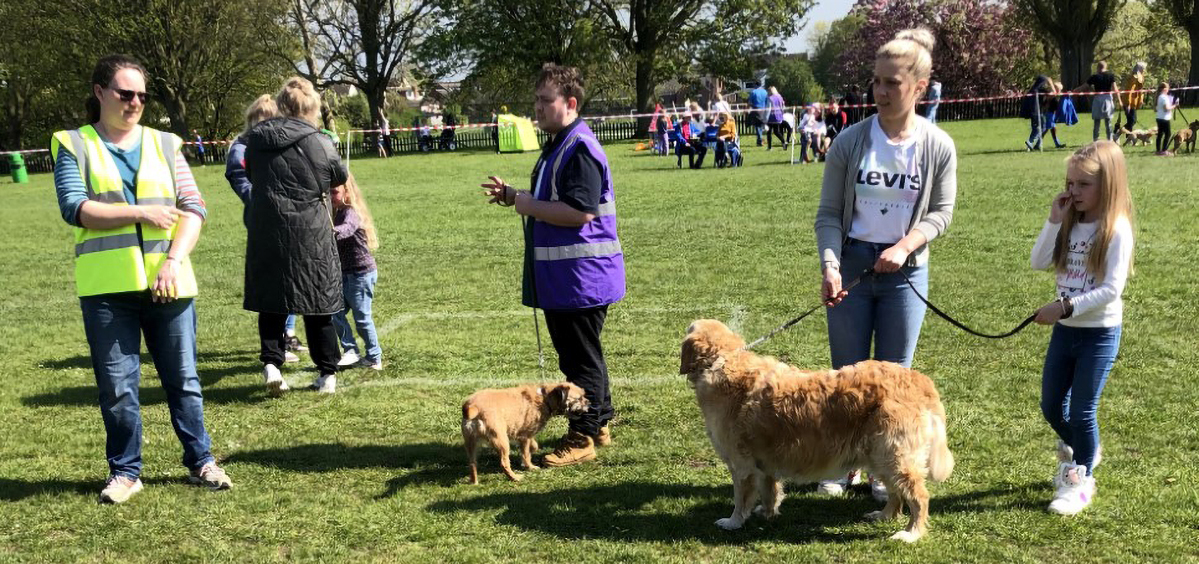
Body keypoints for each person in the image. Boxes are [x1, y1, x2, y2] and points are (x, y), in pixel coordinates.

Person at [50, 54, 232, 504]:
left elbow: (194, 209)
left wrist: (173, 260)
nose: (135, 102)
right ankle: (126, 473)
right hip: (107, 290)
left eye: (142, 96)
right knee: (117, 388)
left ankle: (201, 462)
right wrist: (141, 212)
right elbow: (76, 207)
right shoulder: (73, 143)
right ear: (99, 93)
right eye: (125, 93)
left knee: (184, 379)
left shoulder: (166, 143)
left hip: (170, 283)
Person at [813, 28, 957, 501]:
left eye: (892, 82)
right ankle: (841, 465)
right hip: (853, 266)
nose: (880, 91)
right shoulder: (850, 142)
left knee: (893, 378)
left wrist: (906, 246)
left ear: (919, 86)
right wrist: (831, 266)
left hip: (905, 275)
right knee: (846, 378)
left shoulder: (937, 146)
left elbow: (941, 212)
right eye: (876, 81)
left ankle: (884, 469)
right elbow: (830, 214)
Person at [481, 63, 626, 467]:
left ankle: (583, 435)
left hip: (582, 280)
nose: (537, 108)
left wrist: (526, 205)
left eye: (546, 101)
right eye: (536, 100)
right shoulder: (559, 144)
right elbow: (553, 199)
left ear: (571, 103)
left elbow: (580, 212)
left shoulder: (579, 148)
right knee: (582, 356)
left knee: (580, 361)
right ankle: (598, 422)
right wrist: (514, 195)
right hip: (567, 280)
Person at [1029, 140, 1134, 515]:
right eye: (1069, 182)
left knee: (1082, 412)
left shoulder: (1115, 229)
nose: (1072, 191)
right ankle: (1086, 448)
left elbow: (1111, 290)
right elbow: (1038, 261)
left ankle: (1079, 483)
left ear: (1108, 185)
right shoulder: (1070, 222)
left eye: (1082, 184)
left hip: (1099, 333)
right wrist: (1053, 220)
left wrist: (1064, 306)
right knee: (1051, 405)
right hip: (1066, 332)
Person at [244, 77, 347, 395]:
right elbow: (338, 175)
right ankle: (327, 372)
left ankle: (272, 363)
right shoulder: (320, 141)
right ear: (310, 109)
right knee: (318, 302)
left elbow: (250, 175)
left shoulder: (255, 140)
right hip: (310, 230)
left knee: (272, 301)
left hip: (268, 229)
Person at [329, 173, 383, 371]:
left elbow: (348, 228)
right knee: (335, 311)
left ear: (347, 193)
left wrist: (333, 232)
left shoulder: (350, 212)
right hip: (344, 274)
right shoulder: (334, 211)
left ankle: (374, 356)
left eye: (334, 192)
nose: (330, 196)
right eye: (328, 192)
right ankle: (350, 349)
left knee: (362, 318)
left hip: (361, 274)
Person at [1079, 61, 1120, 141]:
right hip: (1108, 99)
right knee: (1108, 122)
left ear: (1098, 68)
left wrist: (1075, 90)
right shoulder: (1111, 76)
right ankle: (1110, 140)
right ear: (1106, 67)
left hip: (1098, 99)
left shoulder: (1094, 77)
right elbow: (1115, 89)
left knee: (1097, 122)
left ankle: (1095, 140)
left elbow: (1085, 86)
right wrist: (1119, 100)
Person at [1119, 62, 1146, 131]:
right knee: (1132, 121)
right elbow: (1129, 91)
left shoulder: (1141, 77)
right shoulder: (1133, 77)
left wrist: (1141, 100)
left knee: (1132, 121)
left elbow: (1140, 90)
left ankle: (1122, 135)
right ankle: (1119, 133)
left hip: (1134, 102)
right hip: (1129, 102)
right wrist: (1128, 104)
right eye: (1143, 68)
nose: (1144, 70)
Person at [1154, 82, 1177, 156]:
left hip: (1159, 117)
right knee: (1168, 134)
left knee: (1160, 134)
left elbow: (1156, 109)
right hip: (1164, 118)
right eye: (1167, 88)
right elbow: (1166, 108)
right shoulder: (1164, 97)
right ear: (1164, 89)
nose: (1168, 90)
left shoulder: (1159, 96)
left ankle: (1158, 150)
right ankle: (1164, 150)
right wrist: (1174, 106)